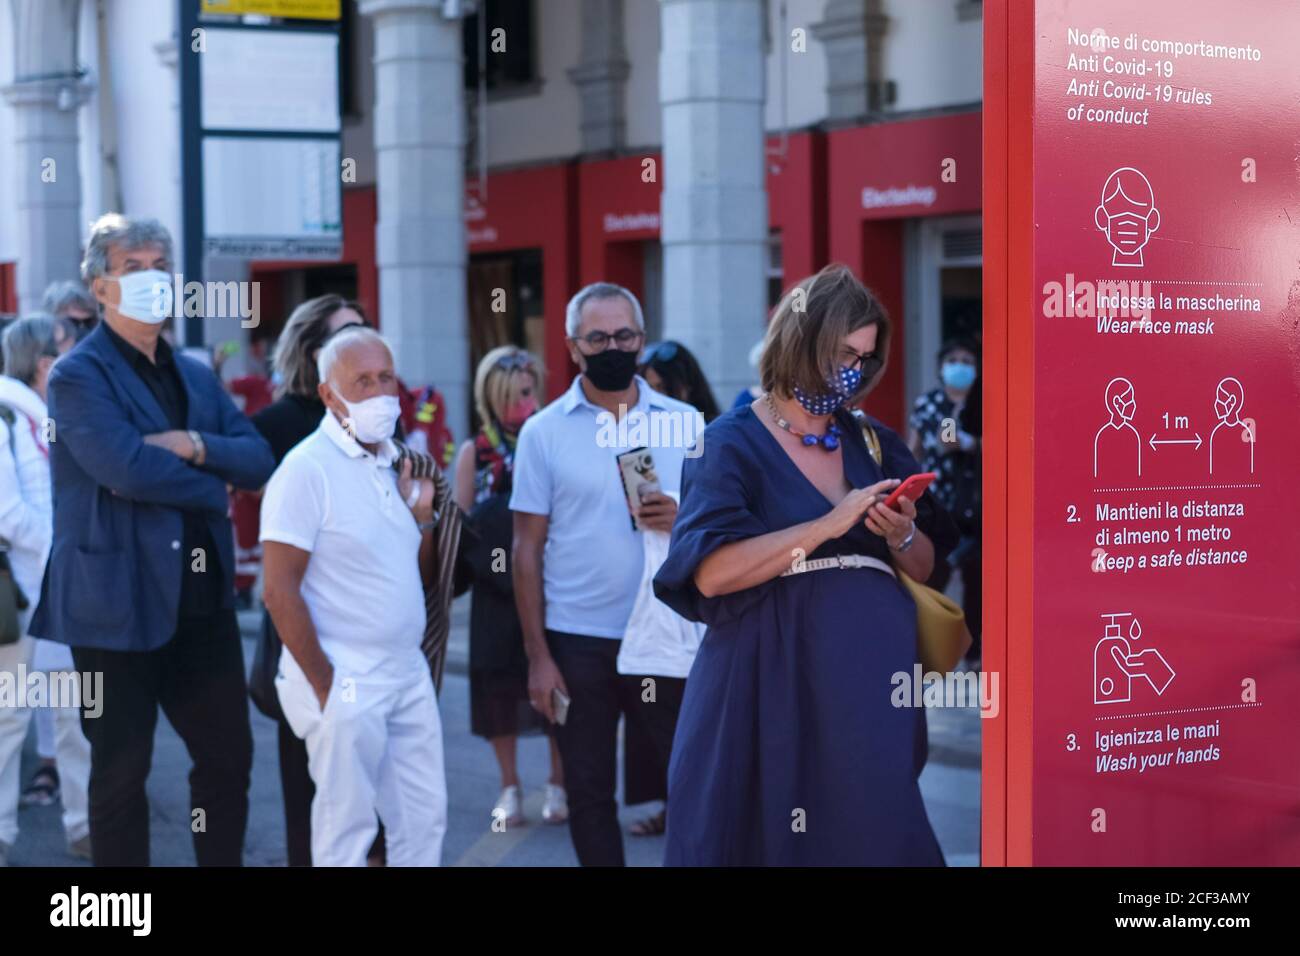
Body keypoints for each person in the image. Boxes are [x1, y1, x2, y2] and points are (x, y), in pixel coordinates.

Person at [653, 263, 958, 865]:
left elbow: (922, 568)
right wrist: (828, 524)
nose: (854, 370)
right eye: (844, 352)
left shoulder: (873, 442)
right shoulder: (727, 444)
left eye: (866, 359)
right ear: (802, 338)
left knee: (877, 839)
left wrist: (899, 535)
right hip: (765, 685)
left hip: (867, 695)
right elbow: (712, 573)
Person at [29, 213, 276, 867]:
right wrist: (211, 483)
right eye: (131, 268)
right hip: (113, 606)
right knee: (119, 773)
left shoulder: (195, 375)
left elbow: (257, 460)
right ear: (99, 287)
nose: (150, 280)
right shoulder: (79, 376)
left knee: (228, 759)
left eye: (158, 267)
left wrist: (196, 445)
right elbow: (125, 469)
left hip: (201, 603)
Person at [510, 282, 697, 866]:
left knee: (690, 782)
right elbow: (524, 549)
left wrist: (682, 515)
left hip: (667, 634)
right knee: (589, 792)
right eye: (598, 337)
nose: (612, 346)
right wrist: (538, 655)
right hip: (575, 642)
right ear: (573, 346)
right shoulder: (544, 432)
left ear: (641, 341)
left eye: (624, 336)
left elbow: (724, 528)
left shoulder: (686, 423)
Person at [261, 326, 447, 867]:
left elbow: (422, 577)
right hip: (346, 680)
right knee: (347, 833)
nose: (379, 392)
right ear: (328, 394)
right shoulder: (305, 469)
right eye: (361, 381)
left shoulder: (399, 462)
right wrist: (326, 685)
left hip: (405, 673)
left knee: (423, 821)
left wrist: (425, 520)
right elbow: (277, 590)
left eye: (385, 377)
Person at [247, 293, 366, 867]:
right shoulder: (274, 427)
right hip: (306, 630)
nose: (358, 344)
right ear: (311, 351)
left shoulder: (379, 419)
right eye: (345, 334)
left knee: (378, 795)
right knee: (310, 792)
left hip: (374, 631)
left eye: (364, 332)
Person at [452, 346, 567, 828]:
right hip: (494, 594)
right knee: (497, 685)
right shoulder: (473, 452)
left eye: (531, 389)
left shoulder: (551, 438)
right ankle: (510, 787)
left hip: (550, 582)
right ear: (492, 398)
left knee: (559, 684)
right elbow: (460, 523)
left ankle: (560, 785)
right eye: (518, 393)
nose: (529, 399)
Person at [0, 317, 91, 867]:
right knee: (10, 720)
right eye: (65, 351)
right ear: (42, 362)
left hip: (60, 592)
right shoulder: (7, 415)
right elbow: (8, 513)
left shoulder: (43, 417)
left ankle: (84, 828)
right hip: (24, 598)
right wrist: (68, 548)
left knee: (75, 719)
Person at [907, 339, 982, 663]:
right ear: (941, 366)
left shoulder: (984, 402)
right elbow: (915, 451)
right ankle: (928, 651)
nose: (961, 366)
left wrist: (972, 442)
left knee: (977, 580)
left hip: (977, 505)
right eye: (954, 359)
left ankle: (974, 653)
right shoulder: (929, 403)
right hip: (935, 505)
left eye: (968, 360)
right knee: (931, 576)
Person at [639, 340, 721, 423]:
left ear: (689, 385)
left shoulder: (710, 429)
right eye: (649, 388)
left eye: (663, 388)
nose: (655, 396)